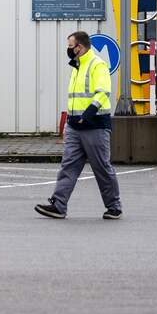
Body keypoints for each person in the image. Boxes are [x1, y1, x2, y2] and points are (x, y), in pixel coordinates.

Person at [35, 31, 122, 220]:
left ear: (79, 47)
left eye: (70, 46)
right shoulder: (77, 66)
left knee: (101, 167)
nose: (68, 49)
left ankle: (114, 206)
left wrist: (88, 114)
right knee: (68, 166)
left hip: (95, 126)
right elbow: (75, 100)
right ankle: (58, 205)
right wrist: (69, 123)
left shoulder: (97, 64)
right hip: (75, 127)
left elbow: (103, 92)